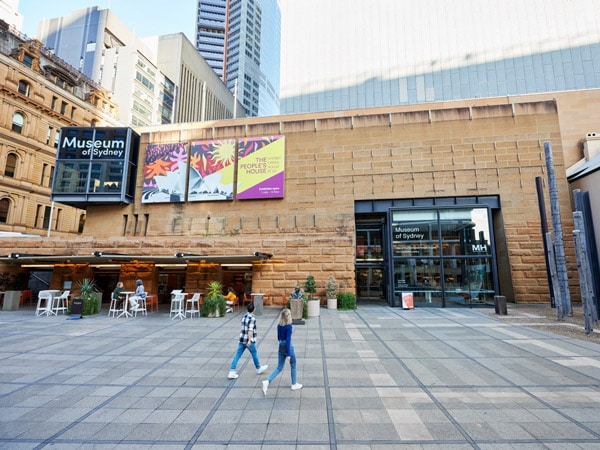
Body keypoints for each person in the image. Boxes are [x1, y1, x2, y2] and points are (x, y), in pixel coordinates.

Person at [262, 308, 302, 395]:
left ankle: (267, 381)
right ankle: (294, 384)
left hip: (281, 346)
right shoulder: (289, 327)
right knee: (293, 365)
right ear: (288, 317)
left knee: (279, 367)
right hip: (288, 348)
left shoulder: (279, 326)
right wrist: (288, 354)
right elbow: (288, 340)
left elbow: (279, 338)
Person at [228, 303, 268, 379]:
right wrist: (249, 340)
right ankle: (258, 368)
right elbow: (250, 330)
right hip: (248, 340)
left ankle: (232, 371)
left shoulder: (244, 316)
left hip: (242, 339)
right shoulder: (252, 319)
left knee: (238, 354)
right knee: (254, 353)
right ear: (253, 309)